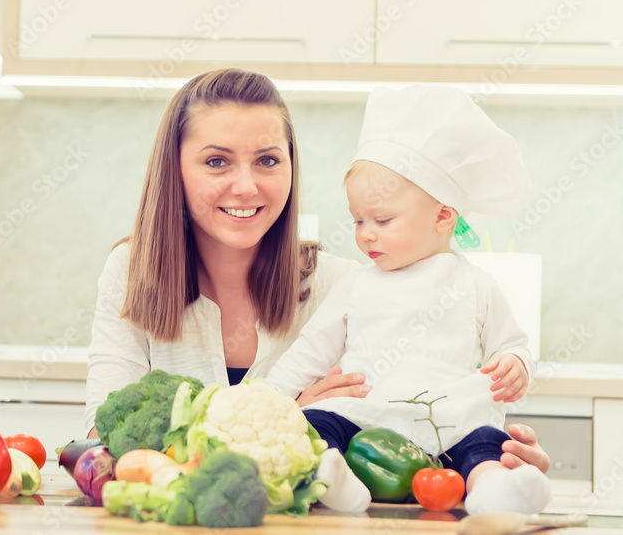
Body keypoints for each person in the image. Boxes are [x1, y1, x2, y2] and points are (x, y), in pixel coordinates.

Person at [85, 69, 550, 483]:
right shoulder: (131, 272)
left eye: (268, 160)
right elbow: (102, 442)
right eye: (216, 161)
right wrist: (286, 420)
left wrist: (488, 457)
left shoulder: (349, 284)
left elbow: (412, 416)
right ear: (175, 169)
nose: (246, 186)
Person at [267, 85, 550, 514]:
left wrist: (516, 365)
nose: (366, 234)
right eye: (358, 220)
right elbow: (310, 352)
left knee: (486, 443)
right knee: (315, 424)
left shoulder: (477, 284)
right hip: (364, 418)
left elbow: (512, 344)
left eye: (382, 220)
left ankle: (494, 489)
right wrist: (268, 399)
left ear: (443, 216)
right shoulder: (356, 283)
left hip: (450, 423)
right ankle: (335, 479)